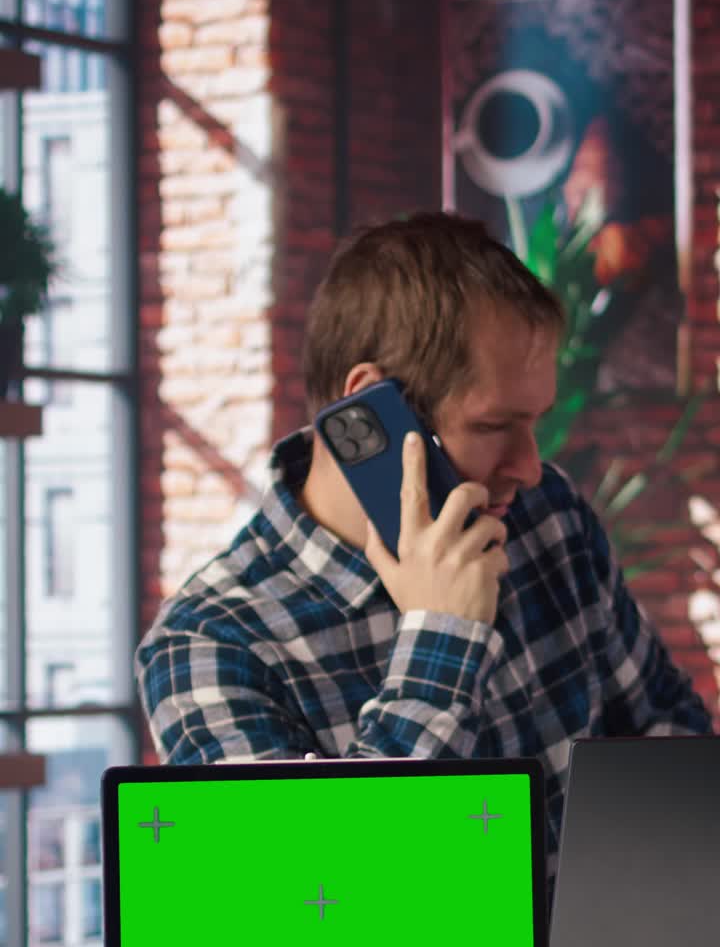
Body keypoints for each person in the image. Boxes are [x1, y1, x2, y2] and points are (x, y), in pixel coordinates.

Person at [136, 211, 712, 877]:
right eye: (493, 425)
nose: (530, 467)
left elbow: (669, 738)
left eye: (534, 422)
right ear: (367, 416)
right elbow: (322, 904)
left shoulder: (546, 517)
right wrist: (441, 638)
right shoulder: (208, 648)